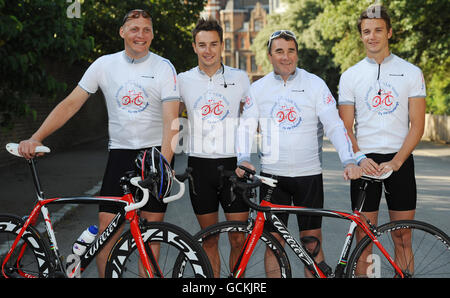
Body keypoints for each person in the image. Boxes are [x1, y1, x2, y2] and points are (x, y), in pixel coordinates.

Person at [18, 9, 180, 277]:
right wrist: (37, 136)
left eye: (146, 29)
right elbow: (71, 103)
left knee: (150, 237)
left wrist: (163, 164)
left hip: (153, 156)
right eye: (134, 28)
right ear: (122, 32)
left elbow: (171, 120)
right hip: (120, 156)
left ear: (152, 34)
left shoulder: (163, 67)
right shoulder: (104, 64)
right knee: (107, 235)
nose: (141, 35)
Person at [235, 30, 362, 277]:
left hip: (309, 176)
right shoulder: (258, 88)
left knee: (312, 244)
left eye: (291, 51)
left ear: (297, 54)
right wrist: (243, 158)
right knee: (274, 244)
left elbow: (334, 125)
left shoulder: (315, 84)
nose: (286, 57)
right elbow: (246, 126)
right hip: (272, 178)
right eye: (279, 51)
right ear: (270, 56)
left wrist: (348, 159)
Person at [338, 5, 426, 276]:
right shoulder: (350, 75)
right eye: (366, 31)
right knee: (365, 243)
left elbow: (418, 126)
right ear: (361, 36)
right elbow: (345, 127)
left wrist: (397, 162)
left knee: (403, 238)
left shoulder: (411, 72)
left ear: (389, 32)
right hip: (365, 162)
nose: (372, 36)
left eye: (378, 30)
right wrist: (361, 159)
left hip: (399, 161)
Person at [177, 18, 251, 277]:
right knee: (209, 240)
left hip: (233, 166)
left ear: (222, 45)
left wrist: (247, 155)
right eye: (202, 45)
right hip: (200, 166)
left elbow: (250, 119)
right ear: (194, 47)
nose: (208, 50)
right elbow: (171, 122)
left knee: (238, 240)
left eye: (213, 44)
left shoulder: (240, 78)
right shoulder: (182, 80)